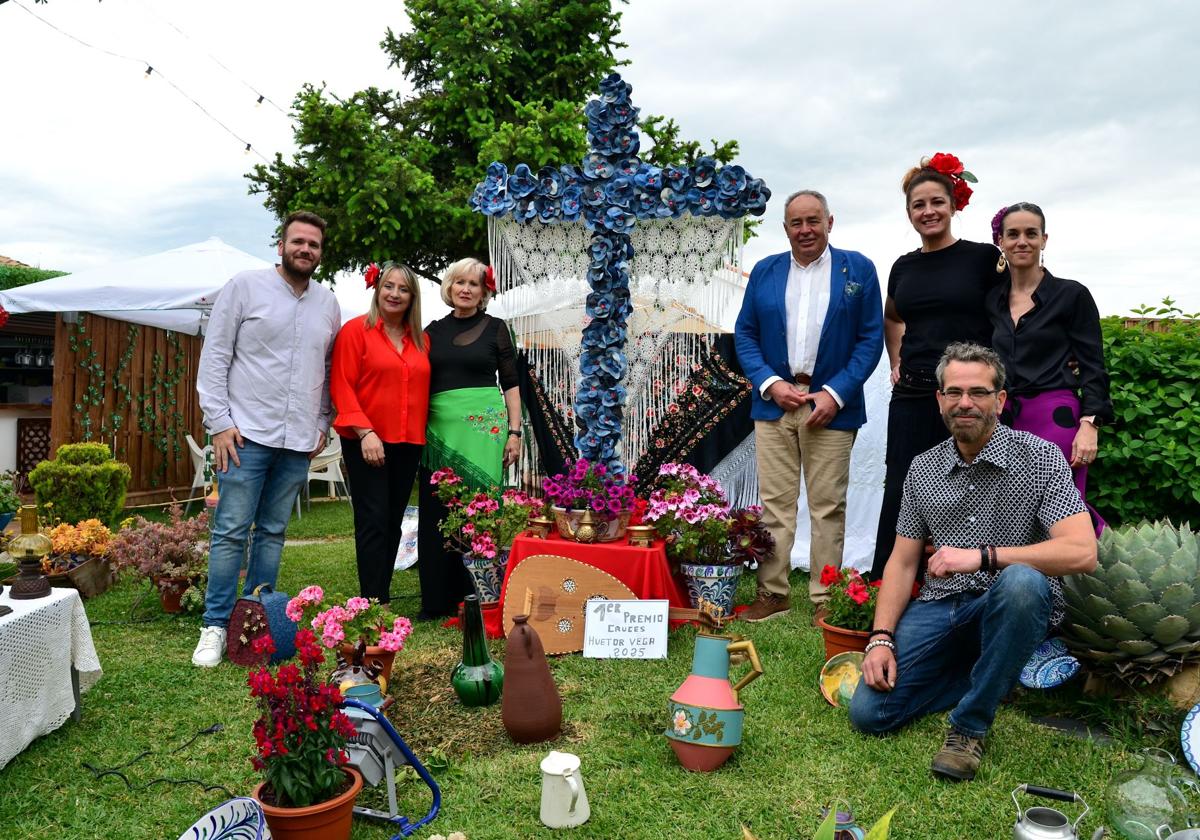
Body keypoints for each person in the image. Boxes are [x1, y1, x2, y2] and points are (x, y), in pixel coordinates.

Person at [849, 342, 1097, 782]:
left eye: (979, 392)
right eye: (954, 392)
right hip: (941, 607)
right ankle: (992, 672)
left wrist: (983, 557)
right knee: (871, 713)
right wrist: (880, 638)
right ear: (940, 399)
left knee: (1022, 582)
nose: (966, 402)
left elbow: (1082, 551)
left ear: (1000, 400)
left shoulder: (1040, 458)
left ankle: (969, 727)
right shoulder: (922, 468)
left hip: (1013, 602)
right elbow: (902, 562)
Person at [193, 210, 341, 667]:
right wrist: (218, 421)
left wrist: (322, 423)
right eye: (298, 241)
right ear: (281, 245)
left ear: (320, 253)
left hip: (297, 439)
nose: (305, 250)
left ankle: (256, 622)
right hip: (246, 433)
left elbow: (328, 369)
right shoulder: (244, 287)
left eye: (313, 244)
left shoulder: (328, 304)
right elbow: (215, 354)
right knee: (231, 531)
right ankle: (216, 626)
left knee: (273, 532)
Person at [733, 190, 884, 621]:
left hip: (830, 408)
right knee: (775, 505)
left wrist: (835, 394)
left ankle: (824, 598)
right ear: (785, 229)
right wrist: (771, 383)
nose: (805, 230)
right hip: (774, 405)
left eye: (813, 220)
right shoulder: (765, 271)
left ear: (830, 222)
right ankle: (773, 593)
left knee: (827, 506)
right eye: (796, 223)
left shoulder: (859, 269)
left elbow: (870, 338)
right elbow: (745, 335)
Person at [871, 154, 1001, 579]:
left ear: (953, 205)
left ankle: (969, 580)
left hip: (968, 395)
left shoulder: (983, 258)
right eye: (918, 205)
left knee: (974, 484)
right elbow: (893, 316)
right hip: (913, 392)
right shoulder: (903, 266)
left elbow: (1018, 305)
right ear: (909, 213)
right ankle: (884, 586)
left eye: (936, 202)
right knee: (902, 485)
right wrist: (896, 359)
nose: (928, 211)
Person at [987, 202, 1112, 532]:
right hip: (1004, 419)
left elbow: (1093, 366)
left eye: (1031, 233)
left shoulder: (1071, 296)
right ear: (1001, 241)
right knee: (1010, 507)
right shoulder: (991, 300)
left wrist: (1090, 424)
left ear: (1044, 239)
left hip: (1055, 413)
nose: (1022, 241)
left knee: (1063, 504)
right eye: (1013, 234)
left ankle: (1098, 573)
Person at [416, 257, 521, 619]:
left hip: (484, 432)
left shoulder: (497, 328)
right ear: (449, 287)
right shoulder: (430, 331)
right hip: (439, 434)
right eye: (459, 282)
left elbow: (510, 384)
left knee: (481, 509)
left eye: (474, 284)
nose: (465, 289)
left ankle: (480, 596)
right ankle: (437, 600)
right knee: (438, 511)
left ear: (484, 292)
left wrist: (515, 432)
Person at [331, 262, 431, 602]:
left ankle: (380, 591)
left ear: (412, 297)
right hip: (366, 440)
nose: (395, 294)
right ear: (378, 289)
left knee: (392, 521)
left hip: (408, 441)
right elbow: (342, 385)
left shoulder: (422, 341)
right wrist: (365, 432)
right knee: (373, 518)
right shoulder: (355, 331)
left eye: (403, 289)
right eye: (389, 286)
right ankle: (373, 601)